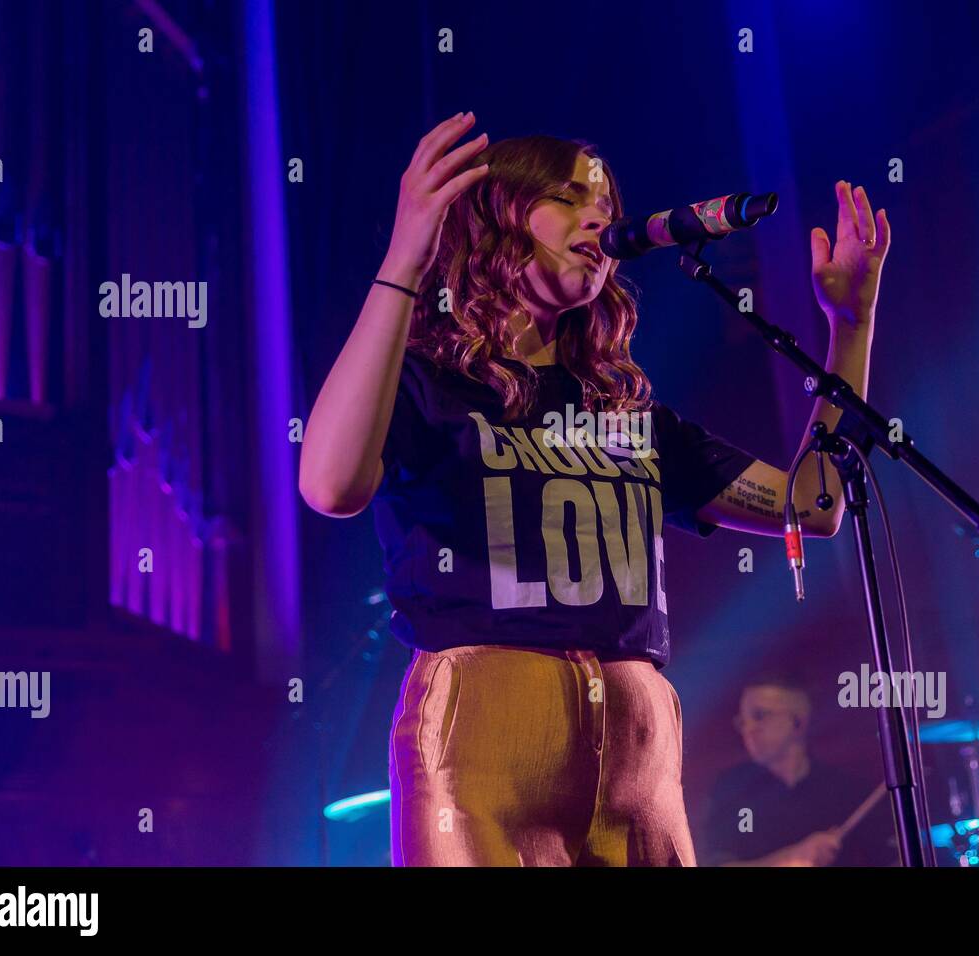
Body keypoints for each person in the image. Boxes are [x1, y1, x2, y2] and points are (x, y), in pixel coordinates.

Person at [298, 111, 889, 866]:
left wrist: (852, 325)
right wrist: (406, 257)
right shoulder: (426, 387)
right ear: (498, 216)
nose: (598, 221)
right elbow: (329, 484)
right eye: (571, 199)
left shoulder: (628, 415)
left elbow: (815, 507)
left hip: (640, 762)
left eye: (607, 211)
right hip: (484, 741)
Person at [701, 674, 898, 866]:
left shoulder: (846, 790)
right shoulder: (729, 789)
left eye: (759, 716)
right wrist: (794, 858)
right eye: (743, 721)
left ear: (798, 723)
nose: (749, 728)